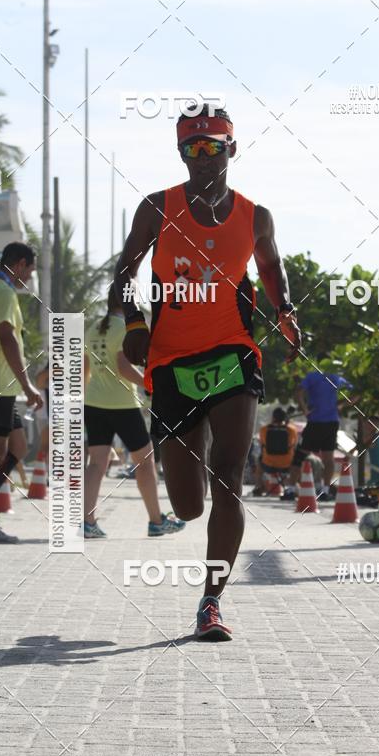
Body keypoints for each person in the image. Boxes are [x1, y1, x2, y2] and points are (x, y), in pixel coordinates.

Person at [115, 104, 301, 640]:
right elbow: (124, 272)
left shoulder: (255, 216)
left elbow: (271, 267)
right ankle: (189, 471)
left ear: (231, 149)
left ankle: (211, 602)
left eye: (212, 146)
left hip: (231, 354)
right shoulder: (157, 208)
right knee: (188, 504)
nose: (202, 157)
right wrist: (134, 323)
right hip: (171, 362)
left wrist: (284, 310)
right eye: (191, 148)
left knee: (229, 477)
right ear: (181, 153)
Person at [84, 287, 186, 539]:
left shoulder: (93, 328)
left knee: (96, 463)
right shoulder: (124, 329)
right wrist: (149, 384)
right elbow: (123, 367)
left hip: (93, 403)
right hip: (122, 405)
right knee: (145, 461)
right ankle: (156, 521)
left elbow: (85, 369)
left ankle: (86, 522)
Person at [0, 242, 43, 544]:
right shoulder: (4, 293)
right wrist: (28, 384)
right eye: (29, 270)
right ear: (18, 264)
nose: (29, 277)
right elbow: (7, 337)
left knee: (18, 446)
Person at [287, 367, 352, 501]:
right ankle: (325, 490)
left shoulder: (312, 376)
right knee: (328, 458)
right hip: (331, 423)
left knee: (299, 456)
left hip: (315, 422)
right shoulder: (336, 377)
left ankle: (291, 489)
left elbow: (299, 392)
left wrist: (305, 410)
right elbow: (356, 392)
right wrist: (342, 405)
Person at [251, 407, 298, 495]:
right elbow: (294, 444)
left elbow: (262, 444)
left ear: (273, 417)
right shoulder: (292, 430)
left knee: (259, 461)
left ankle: (259, 486)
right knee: (297, 461)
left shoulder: (264, 429)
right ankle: (292, 488)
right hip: (287, 465)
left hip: (268, 464)